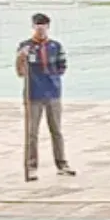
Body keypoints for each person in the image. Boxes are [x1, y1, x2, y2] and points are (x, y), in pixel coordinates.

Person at [16, 13, 74, 180]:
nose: (41, 28)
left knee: (56, 130)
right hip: (33, 94)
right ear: (33, 26)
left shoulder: (56, 46)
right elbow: (20, 72)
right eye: (37, 24)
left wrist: (51, 76)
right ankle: (31, 166)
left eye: (44, 24)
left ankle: (62, 163)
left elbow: (62, 67)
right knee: (32, 132)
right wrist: (21, 58)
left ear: (48, 26)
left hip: (53, 93)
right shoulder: (25, 46)